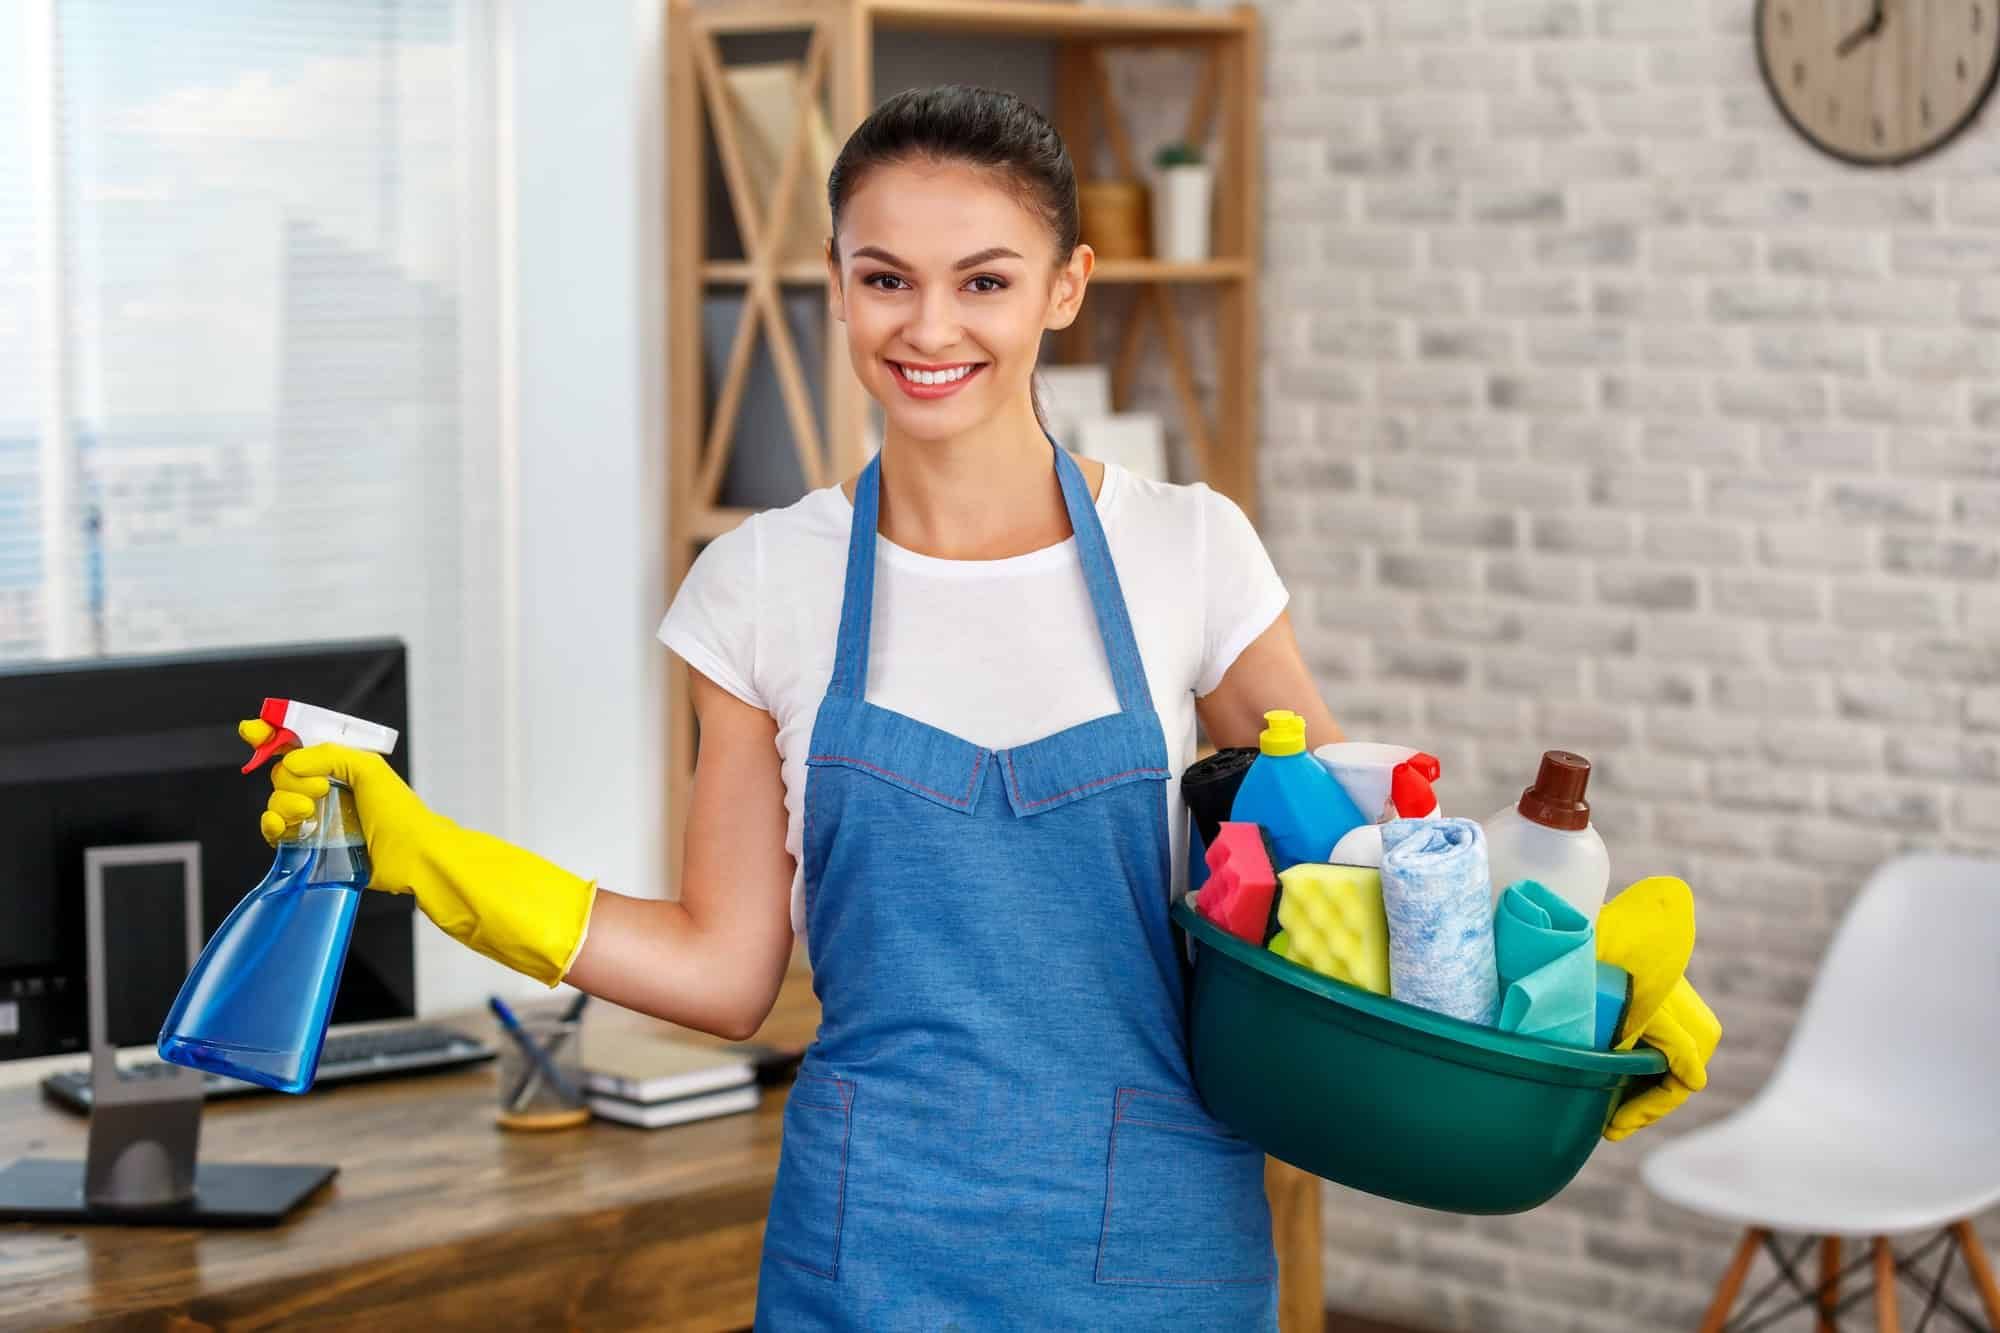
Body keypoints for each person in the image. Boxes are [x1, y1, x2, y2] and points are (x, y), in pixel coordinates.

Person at [242, 84, 1344, 1329]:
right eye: (886, 279)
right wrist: (434, 857)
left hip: (1158, 1239)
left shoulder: (1188, 551)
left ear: (1066, 286)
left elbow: (1352, 888)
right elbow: (723, 972)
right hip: (869, 1245)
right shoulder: (760, 584)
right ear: (833, 282)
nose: (930, 326)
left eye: (983, 281)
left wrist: (1577, 1008)